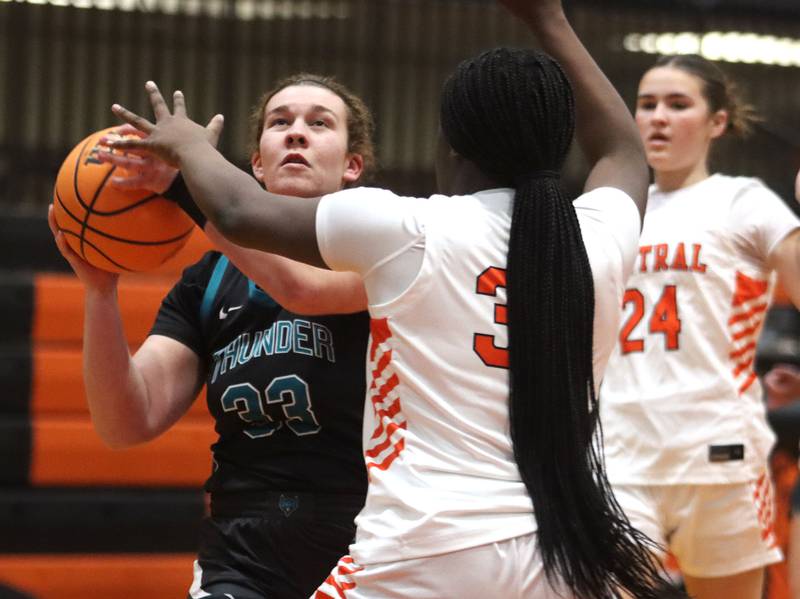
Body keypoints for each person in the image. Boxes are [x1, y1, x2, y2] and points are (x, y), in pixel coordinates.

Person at [105, 0, 679, 597]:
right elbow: (623, 151)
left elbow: (239, 211)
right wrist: (551, 20)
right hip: (564, 554)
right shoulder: (600, 235)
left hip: (428, 546)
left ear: (451, 148)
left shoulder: (411, 229)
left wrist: (187, 149)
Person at [49, 73, 376, 599]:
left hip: (369, 541)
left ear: (352, 165)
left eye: (319, 123)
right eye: (280, 122)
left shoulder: (383, 253)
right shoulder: (208, 281)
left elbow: (299, 287)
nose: (297, 133)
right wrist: (100, 293)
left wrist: (184, 182)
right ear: (256, 164)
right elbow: (126, 420)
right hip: (242, 551)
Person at [598, 53, 800, 599]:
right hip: (621, 451)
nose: (658, 117)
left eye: (677, 104)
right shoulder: (608, 211)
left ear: (717, 122)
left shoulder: (744, 201)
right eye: (647, 104)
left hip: (719, 452)